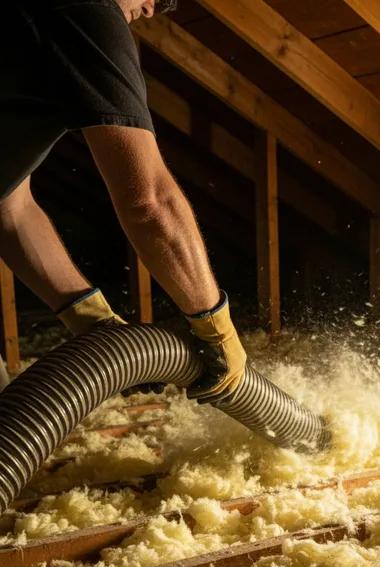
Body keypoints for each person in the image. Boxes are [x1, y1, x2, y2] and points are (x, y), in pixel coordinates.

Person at [0, 0, 246, 402]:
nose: (152, 10)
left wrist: (90, 319)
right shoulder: (88, 9)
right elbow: (150, 201)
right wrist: (215, 327)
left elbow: (10, 210)